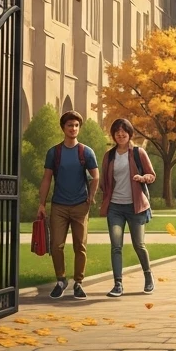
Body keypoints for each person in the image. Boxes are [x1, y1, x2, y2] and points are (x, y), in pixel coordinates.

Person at [36, 110, 100, 300]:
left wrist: (91, 196)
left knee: (80, 245)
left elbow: (95, 175)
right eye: (70, 125)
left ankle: (78, 283)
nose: (73, 128)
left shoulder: (86, 152)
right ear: (63, 128)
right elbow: (46, 179)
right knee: (56, 245)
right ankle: (61, 280)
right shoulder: (54, 152)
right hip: (59, 206)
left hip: (80, 205)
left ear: (79, 128)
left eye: (76, 125)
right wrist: (41, 203)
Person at [98, 118, 157, 297]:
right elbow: (104, 182)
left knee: (139, 245)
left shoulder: (139, 153)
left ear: (129, 133)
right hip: (115, 207)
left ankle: (148, 277)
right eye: (117, 132)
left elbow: (152, 175)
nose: (120, 134)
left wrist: (142, 178)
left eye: (124, 131)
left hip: (136, 207)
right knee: (116, 246)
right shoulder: (109, 156)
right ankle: (118, 285)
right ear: (113, 135)